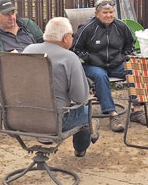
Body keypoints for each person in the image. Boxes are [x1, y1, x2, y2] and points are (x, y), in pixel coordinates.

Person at [72, 0, 148, 132]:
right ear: (97, 14)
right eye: (105, 12)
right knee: (100, 76)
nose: (108, 15)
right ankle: (113, 115)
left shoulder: (121, 26)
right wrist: (90, 58)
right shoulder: (87, 28)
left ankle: (136, 111)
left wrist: (123, 56)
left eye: (111, 12)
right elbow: (75, 49)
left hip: (116, 64)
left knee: (135, 70)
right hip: (93, 66)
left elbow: (130, 44)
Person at [23, 17, 97, 157]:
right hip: (56, 121)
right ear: (65, 38)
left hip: (22, 117)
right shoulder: (69, 57)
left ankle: (45, 136)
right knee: (86, 112)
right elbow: (80, 98)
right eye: (72, 35)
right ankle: (80, 150)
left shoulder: (28, 50)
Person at [0, 0, 44, 74]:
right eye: (7, 14)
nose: (11, 17)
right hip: (13, 75)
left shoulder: (28, 25)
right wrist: (7, 60)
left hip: (38, 67)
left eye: (13, 13)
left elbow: (44, 43)